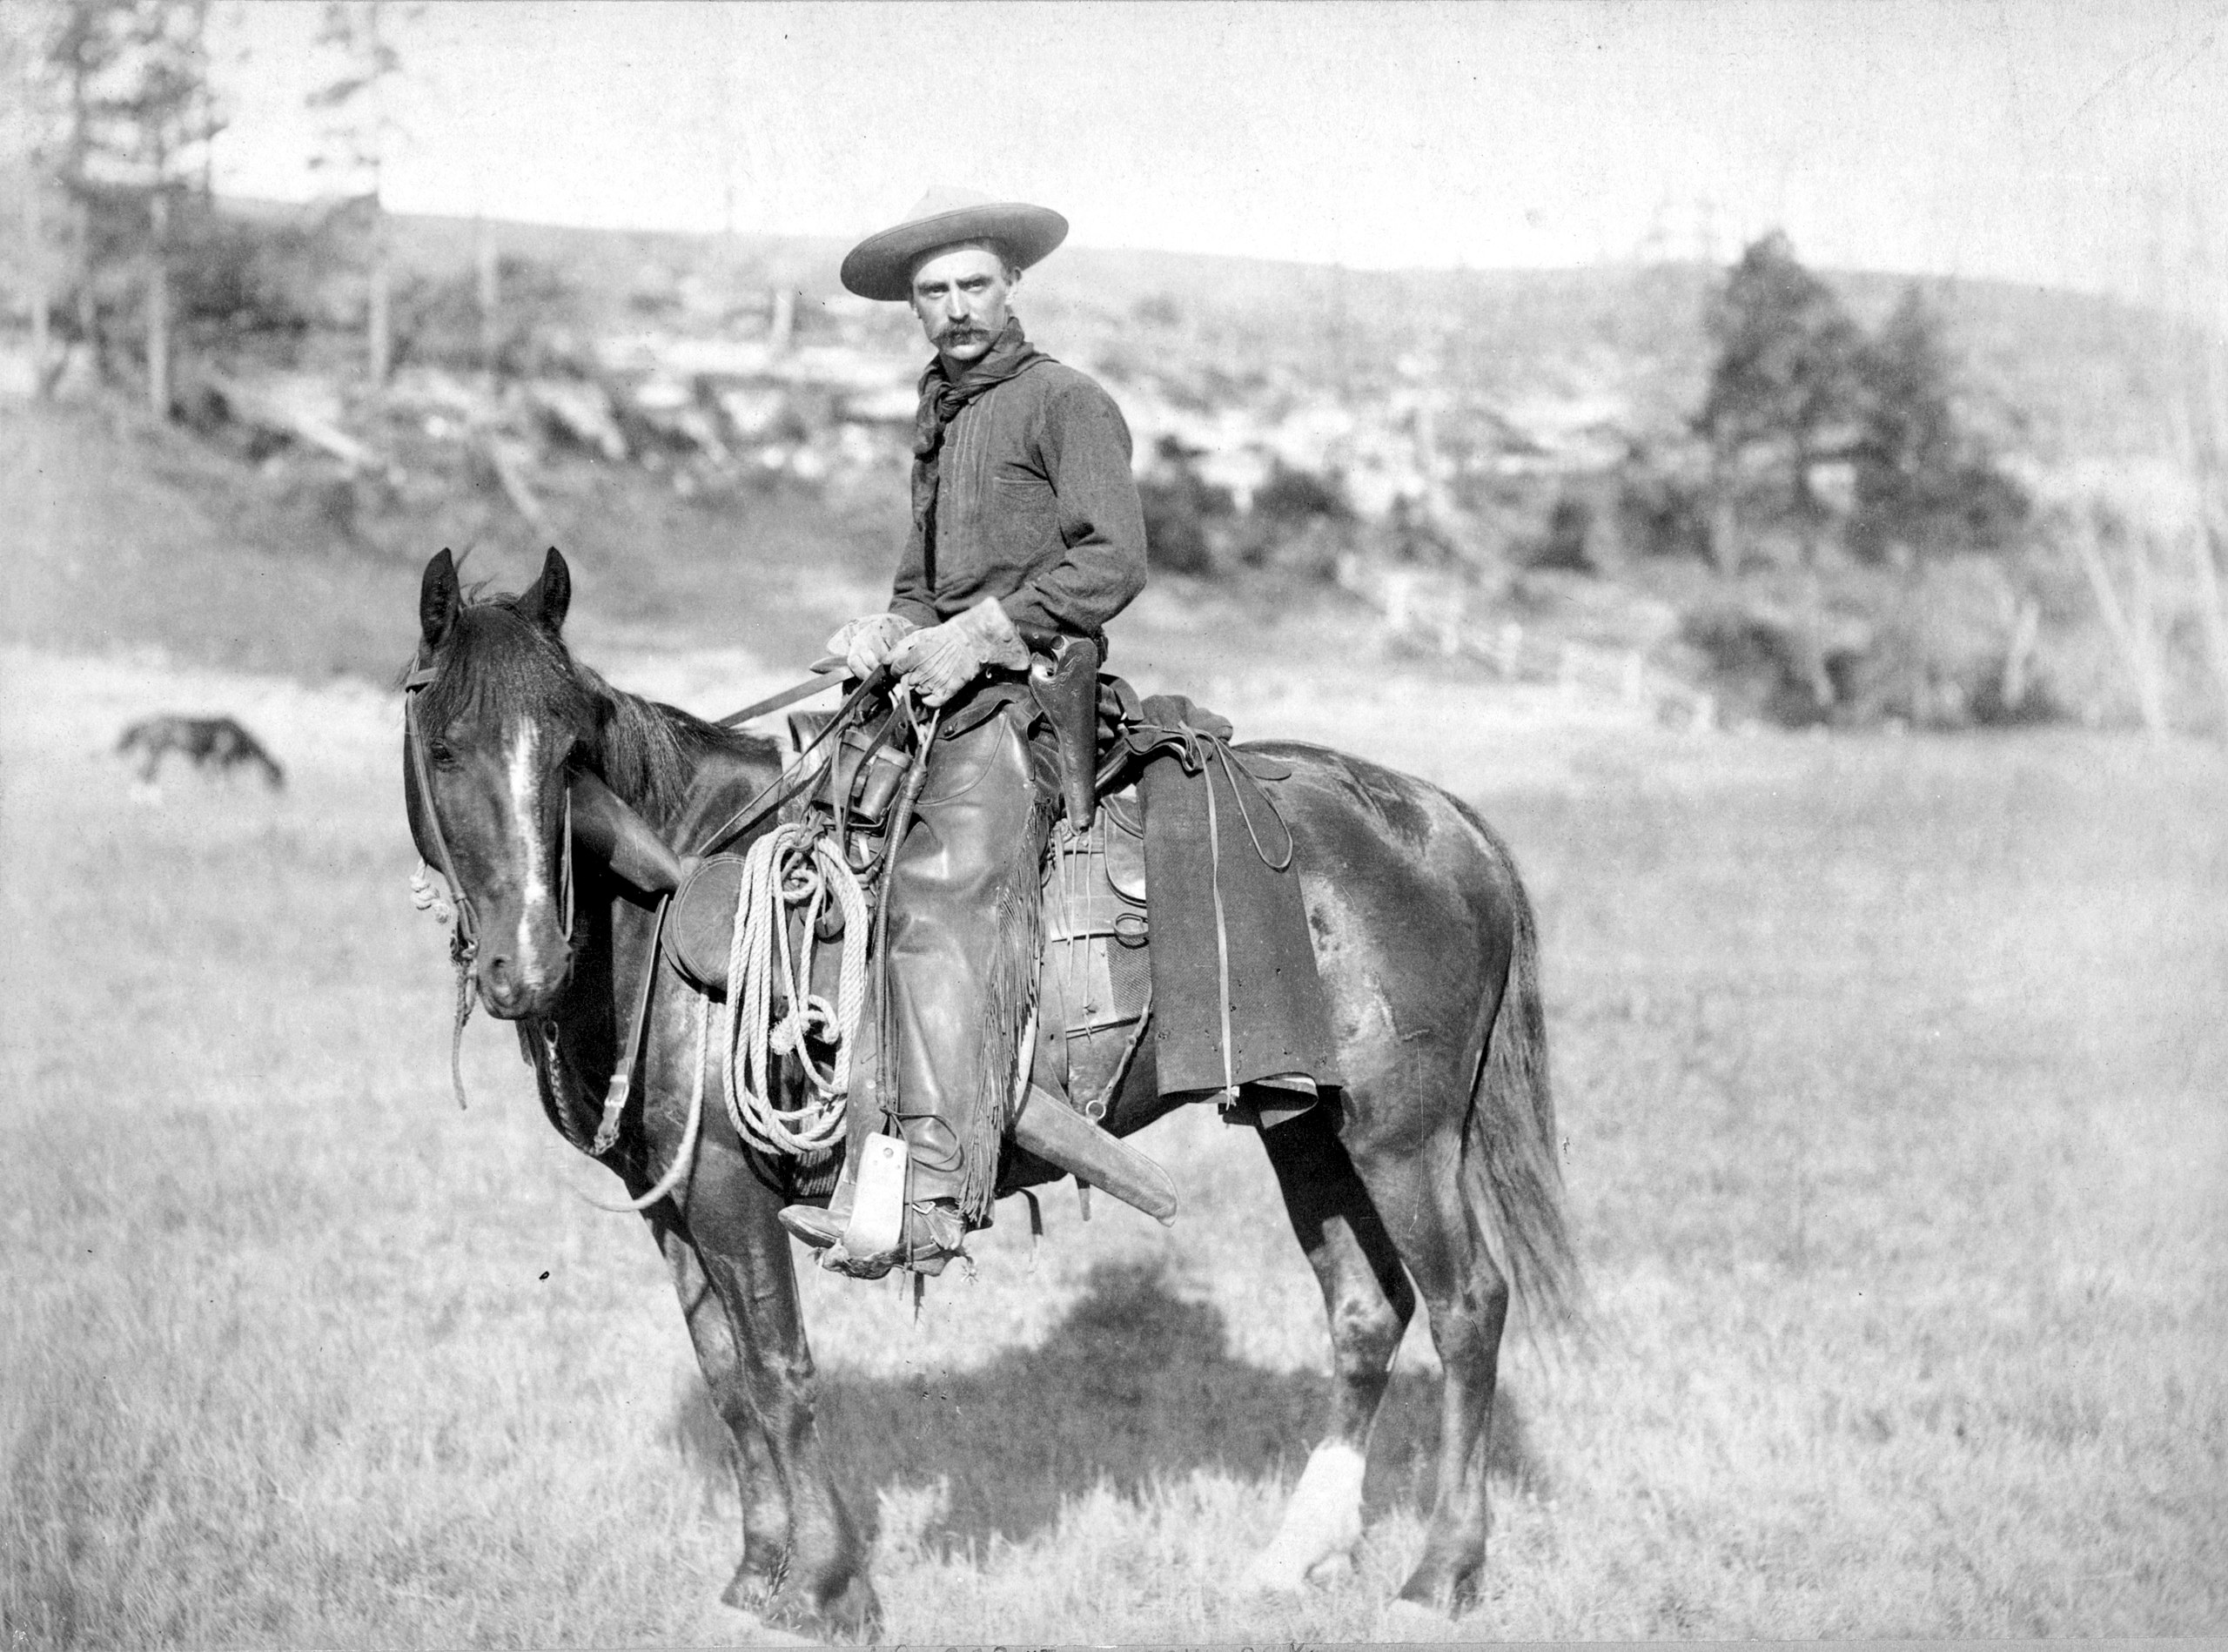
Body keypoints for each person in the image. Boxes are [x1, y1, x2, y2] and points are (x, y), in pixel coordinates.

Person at [779, 187, 1148, 1276]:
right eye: (932, 293)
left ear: (1012, 287)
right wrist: (884, 628)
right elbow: (918, 583)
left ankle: (931, 1194)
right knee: (811, 835)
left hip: (1030, 697)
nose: (954, 308)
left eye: (972, 285)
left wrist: (986, 630)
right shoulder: (941, 413)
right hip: (945, 689)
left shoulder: (1063, 402)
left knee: (942, 895)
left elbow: (1112, 560)